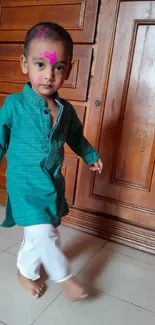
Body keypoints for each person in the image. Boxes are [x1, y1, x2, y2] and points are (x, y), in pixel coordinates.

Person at [0, 22, 103, 301]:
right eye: (40, 64)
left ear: (68, 70)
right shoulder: (14, 106)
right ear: (25, 64)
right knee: (42, 233)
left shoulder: (65, 111)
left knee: (45, 233)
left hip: (51, 185)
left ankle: (25, 271)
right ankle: (65, 279)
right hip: (24, 184)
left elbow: (76, 138)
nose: (48, 75)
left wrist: (90, 155)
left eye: (58, 67)